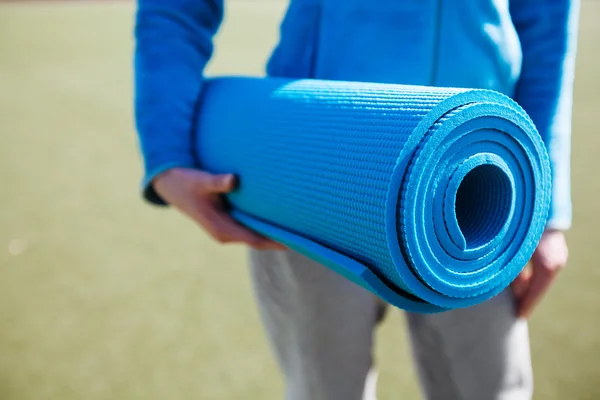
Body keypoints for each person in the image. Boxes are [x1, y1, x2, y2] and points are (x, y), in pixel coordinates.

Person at [133, 0, 578, 399]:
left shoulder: (493, 184)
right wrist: (167, 149)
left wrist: (546, 201)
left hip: (480, 180)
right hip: (320, 169)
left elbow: (548, 18)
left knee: (490, 392)